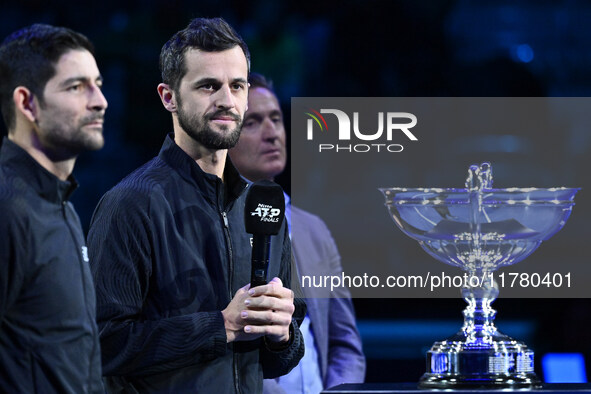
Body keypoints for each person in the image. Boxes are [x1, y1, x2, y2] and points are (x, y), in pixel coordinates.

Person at [88, 18, 304, 393]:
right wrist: (220, 326)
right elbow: (101, 344)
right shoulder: (129, 204)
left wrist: (283, 334)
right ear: (168, 96)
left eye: (237, 86)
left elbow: (274, 363)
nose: (226, 100)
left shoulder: (263, 205)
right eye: (208, 86)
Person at [229, 73, 366, 393]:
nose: (271, 133)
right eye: (252, 123)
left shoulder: (313, 229)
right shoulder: (211, 222)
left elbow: (344, 343)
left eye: (276, 119)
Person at [0, 24, 107, 393]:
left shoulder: (62, 205)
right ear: (27, 103)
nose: (99, 101)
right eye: (76, 87)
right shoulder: (7, 208)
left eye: (98, 84)